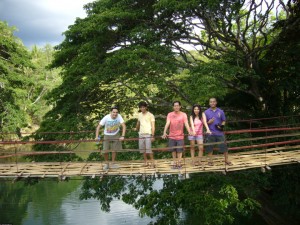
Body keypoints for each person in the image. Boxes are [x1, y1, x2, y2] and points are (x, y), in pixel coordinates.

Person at [162, 101, 191, 168]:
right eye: (175, 106)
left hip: (180, 136)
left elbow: (186, 123)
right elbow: (167, 123)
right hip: (172, 135)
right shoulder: (170, 114)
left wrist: (189, 131)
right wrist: (164, 132)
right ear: (173, 107)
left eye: (177, 105)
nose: (176, 107)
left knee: (179, 150)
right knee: (173, 150)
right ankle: (175, 162)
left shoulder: (183, 114)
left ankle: (179, 163)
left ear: (180, 106)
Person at [204, 98, 232, 166]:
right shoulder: (206, 112)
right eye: (211, 102)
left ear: (216, 102)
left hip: (219, 132)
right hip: (210, 133)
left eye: (214, 102)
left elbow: (223, 120)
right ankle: (210, 161)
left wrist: (222, 126)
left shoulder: (221, 111)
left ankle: (226, 160)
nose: (212, 103)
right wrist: (209, 122)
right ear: (209, 103)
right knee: (210, 147)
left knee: (224, 146)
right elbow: (204, 123)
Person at [134, 101, 155, 167]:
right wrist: (136, 128)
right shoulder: (139, 115)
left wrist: (152, 135)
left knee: (149, 149)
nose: (142, 108)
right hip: (141, 134)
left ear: (146, 107)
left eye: (143, 107)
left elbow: (153, 126)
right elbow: (138, 123)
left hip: (148, 134)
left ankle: (152, 163)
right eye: (141, 107)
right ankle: (146, 162)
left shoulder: (150, 115)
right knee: (142, 149)